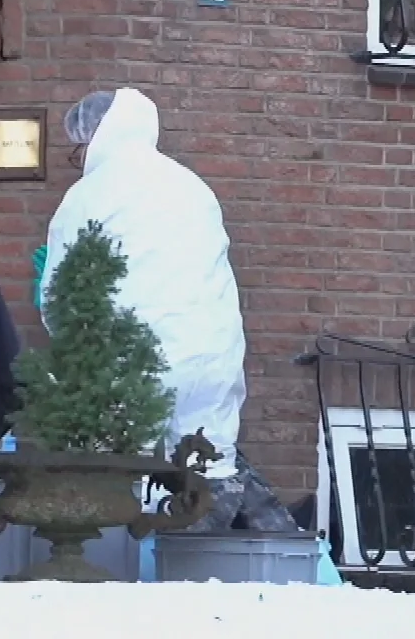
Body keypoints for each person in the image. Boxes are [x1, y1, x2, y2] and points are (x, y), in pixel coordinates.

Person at [41, 86, 295, 532]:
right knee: (206, 469)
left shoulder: (88, 196)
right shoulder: (192, 186)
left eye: (77, 149)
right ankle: (201, 557)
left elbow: (63, 298)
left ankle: (137, 563)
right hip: (212, 355)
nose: (77, 159)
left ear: (96, 139)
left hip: (133, 362)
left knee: (122, 479)